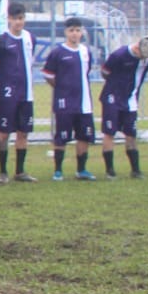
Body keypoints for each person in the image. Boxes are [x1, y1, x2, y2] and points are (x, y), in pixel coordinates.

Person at [43, 17, 97, 181]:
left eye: (78, 30)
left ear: (81, 32)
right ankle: (58, 170)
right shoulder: (57, 52)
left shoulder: (86, 51)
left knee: (84, 136)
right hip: (65, 101)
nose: (75, 33)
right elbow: (48, 75)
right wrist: (61, 88)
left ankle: (81, 170)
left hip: (84, 102)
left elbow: (85, 73)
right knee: (62, 136)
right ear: (66, 32)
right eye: (71, 30)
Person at [0, 2, 40, 183]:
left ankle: (20, 171)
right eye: (15, 19)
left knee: (23, 132)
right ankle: (3, 171)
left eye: (21, 18)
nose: (19, 22)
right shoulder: (2, 41)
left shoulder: (30, 39)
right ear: (9, 19)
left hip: (26, 94)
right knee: (4, 133)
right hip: (7, 94)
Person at [99, 36, 148, 179]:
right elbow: (105, 72)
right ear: (137, 48)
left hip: (130, 100)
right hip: (112, 98)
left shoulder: (147, 59)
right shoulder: (119, 55)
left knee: (131, 134)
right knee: (109, 133)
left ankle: (135, 170)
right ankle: (110, 171)